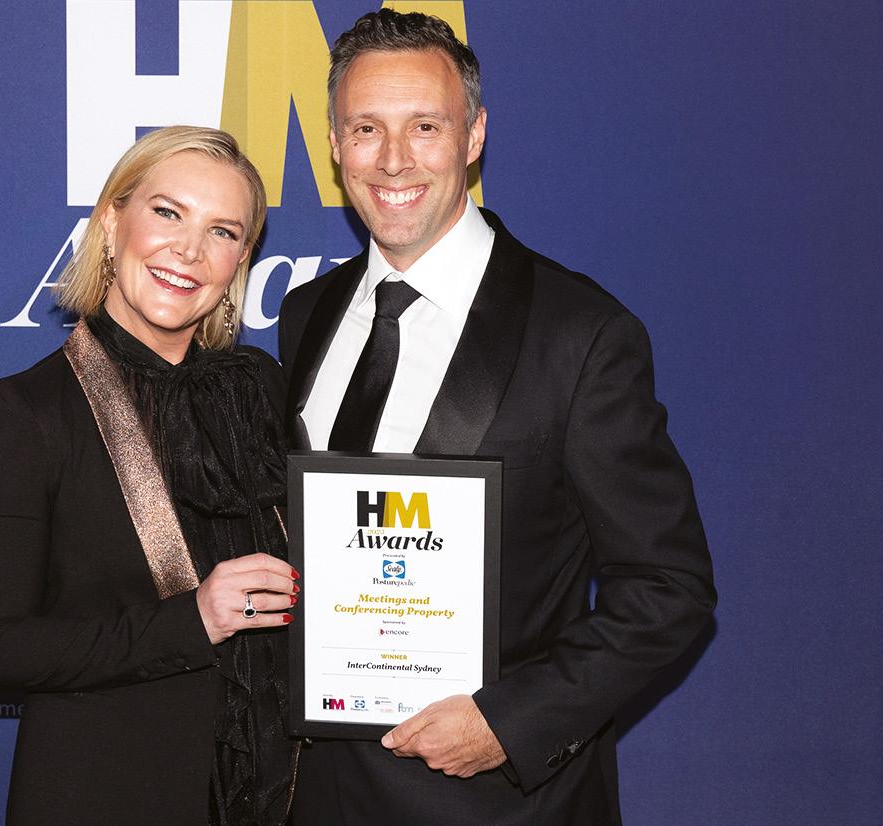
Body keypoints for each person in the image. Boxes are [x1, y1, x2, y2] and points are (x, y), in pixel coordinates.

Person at [278, 10, 716, 825]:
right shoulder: (307, 313)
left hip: (499, 806)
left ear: (474, 135)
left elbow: (668, 587)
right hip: (317, 795)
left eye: (425, 126)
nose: (393, 158)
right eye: (365, 128)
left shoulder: (579, 333)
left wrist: (509, 724)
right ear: (334, 146)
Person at [0, 126, 298, 825]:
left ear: (240, 259)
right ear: (112, 223)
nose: (189, 250)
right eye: (168, 213)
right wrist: (192, 620)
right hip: (110, 792)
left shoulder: (257, 389)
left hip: (271, 791)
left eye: (223, 231)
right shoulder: (31, 409)